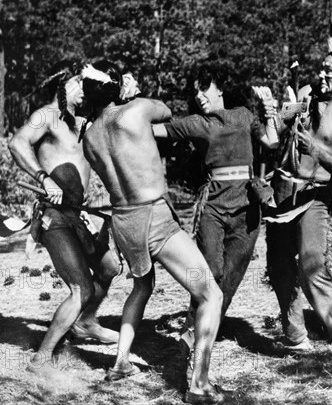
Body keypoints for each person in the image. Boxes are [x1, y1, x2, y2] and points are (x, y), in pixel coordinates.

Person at [79, 60, 226, 404]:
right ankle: (199, 385)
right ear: (117, 86)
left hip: (123, 221)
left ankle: (119, 362)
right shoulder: (138, 109)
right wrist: (134, 93)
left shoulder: (89, 137)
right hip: (154, 217)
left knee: (142, 287)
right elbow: (166, 111)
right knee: (211, 295)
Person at [259, 49, 332, 369]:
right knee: (279, 268)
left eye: (329, 72)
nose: (321, 76)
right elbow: (274, 133)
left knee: (311, 267)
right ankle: (295, 336)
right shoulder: (306, 95)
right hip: (281, 193)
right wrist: (276, 112)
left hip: (315, 194)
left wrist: (316, 150)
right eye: (321, 69)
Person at [9, 60, 120, 372]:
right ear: (64, 85)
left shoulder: (83, 121)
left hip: (77, 215)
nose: (83, 90)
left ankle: (84, 321)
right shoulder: (47, 115)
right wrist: (44, 178)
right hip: (53, 217)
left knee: (110, 268)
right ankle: (41, 358)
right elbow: (17, 143)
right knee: (80, 289)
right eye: (78, 83)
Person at [153, 66, 278, 333]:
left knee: (232, 274)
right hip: (212, 208)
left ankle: (208, 328)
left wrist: (270, 109)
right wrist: (125, 109)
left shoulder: (243, 115)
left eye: (204, 87)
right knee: (210, 270)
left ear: (220, 89)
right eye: (195, 90)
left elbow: (272, 141)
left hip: (248, 208)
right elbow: (155, 130)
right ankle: (192, 330)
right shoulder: (195, 123)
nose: (199, 95)